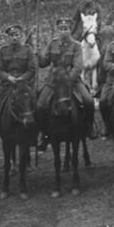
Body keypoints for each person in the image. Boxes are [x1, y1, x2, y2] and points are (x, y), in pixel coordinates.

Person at [35, 17, 97, 149]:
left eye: (66, 29)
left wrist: (68, 80)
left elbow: (78, 66)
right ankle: (44, 134)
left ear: (70, 30)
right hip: (53, 81)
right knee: (40, 105)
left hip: (71, 81)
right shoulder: (52, 44)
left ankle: (89, 127)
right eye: (61, 29)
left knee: (88, 100)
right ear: (58, 30)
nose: (64, 31)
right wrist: (38, 55)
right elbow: (43, 63)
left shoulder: (76, 46)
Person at [0, 24, 36, 147]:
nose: (14, 38)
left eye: (17, 35)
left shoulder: (28, 50)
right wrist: (8, 77)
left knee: (37, 106)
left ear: (21, 36)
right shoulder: (3, 51)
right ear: (8, 37)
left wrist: (22, 78)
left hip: (24, 85)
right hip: (6, 85)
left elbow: (32, 69)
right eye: (12, 35)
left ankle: (33, 135)